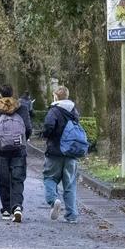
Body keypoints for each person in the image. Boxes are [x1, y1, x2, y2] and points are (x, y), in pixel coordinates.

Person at [0, 85, 32, 222]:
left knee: (4, 180)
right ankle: (17, 206)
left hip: (2, 151)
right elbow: (28, 128)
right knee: (17, 179)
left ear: (0, 94)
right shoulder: (21, 108)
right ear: (13, 94)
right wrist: (22, 141)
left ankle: (6, 209)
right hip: (19, 150)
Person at [41, 86, 81, 223]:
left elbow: (48, 126)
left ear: (56, 97)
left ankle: (54, 200)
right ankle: (72, 215)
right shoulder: (74, 111)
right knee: (69, 184)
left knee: (49, 178)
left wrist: (46, 135)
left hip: (55, 152)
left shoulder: (54, 110)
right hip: (71, 153)